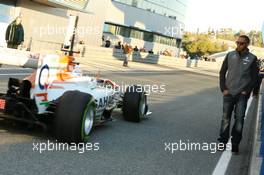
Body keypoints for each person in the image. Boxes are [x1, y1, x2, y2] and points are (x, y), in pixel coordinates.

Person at [217, 35, 258, 154]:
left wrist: (247, 90)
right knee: (225, 118)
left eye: (242, 43)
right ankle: (222, 142)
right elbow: (222, 72)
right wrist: (223, 88)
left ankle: (235, 144)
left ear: (247, 45)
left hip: (242, 94)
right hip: (228, 92)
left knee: (239, 119)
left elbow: (254, 78)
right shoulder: (230, 55)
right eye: (237, 42)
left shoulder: (252, 58)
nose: (238, 45)